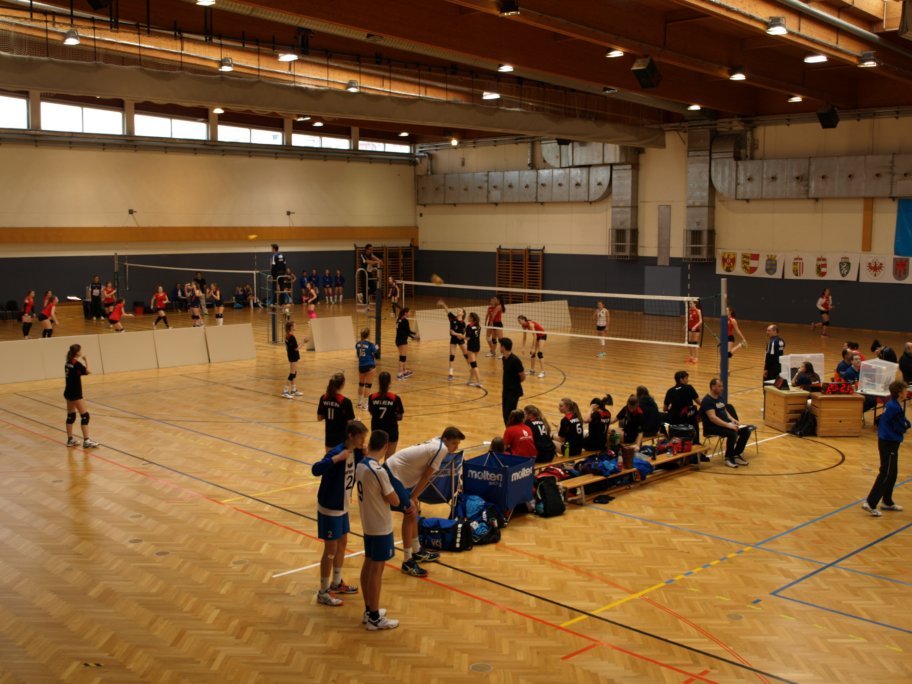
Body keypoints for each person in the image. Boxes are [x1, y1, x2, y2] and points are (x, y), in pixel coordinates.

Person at [385, 427, 465, 577]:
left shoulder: (438, 442)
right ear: (446, 440)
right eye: (454, 443)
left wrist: (413, 496)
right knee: (410, 512)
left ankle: (417, 551)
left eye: (458, 444)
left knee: (413, 511)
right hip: (393, 473)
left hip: (398, 473)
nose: (456, 447)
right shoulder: (441, 449)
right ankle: (407, 561)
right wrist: (413, 497)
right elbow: (426, 476)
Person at [311, 420, 367, 607]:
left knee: (342, 543)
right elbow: (315, 469)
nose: (363, 441)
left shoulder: (357, 453)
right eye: (361, 438)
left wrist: (365, 455)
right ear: (351, 436)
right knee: (330, 550)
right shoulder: (337, 452)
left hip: (343, 505)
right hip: (330, 507)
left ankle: (336, 582)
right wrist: (336, 459)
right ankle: (323, 592)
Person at [355, 430, 401, 630]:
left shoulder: (361, 465)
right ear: (385, 447)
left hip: (368, 523)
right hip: (380, 525)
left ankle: (369, 610)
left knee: (368, 564)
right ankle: (374, 617)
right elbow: (395, 500)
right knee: (377, 571)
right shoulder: (378, 470)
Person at [862, 380, 909, 517]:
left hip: (887, 440)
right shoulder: (895, 407)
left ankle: (887, 501)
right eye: (905, 390)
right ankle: (870, 503)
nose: (907, 392)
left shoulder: (892, 404)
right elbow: (901, 426)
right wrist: (906, 426)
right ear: (900, 393)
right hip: (889, 442)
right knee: (886, 472)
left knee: (892, 472)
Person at [701, 378, 752, 468]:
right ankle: (728, 457)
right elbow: (713, 418)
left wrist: (732, 419)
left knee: (746, 431)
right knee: (732, 433)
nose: (722, 388)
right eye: (719, 386)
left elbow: (724, 410)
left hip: (724, 424)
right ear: (712, 387)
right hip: (712, 427)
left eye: (722, 386)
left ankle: (736, 454)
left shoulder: (720, 397)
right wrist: (728, 425)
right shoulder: (707, 400)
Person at [64, 344, 100, 448]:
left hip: (68, 392)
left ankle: (70, 439)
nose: (81, 351)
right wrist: (86, 360)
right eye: (80, 350)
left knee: (71, 416)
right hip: (75, 393)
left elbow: (78, 373)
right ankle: (86, 441)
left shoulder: (68, 362)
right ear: (77, 353)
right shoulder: (76, 364)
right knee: (85, 416)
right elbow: (88, 371)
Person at [368, 372, 404, 457]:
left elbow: (371, 411)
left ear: (379, 382)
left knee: (373, 458)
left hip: (376, 430)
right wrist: (391, 416)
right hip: (391, 431)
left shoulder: (372, 397)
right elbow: (400, 416)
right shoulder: (395, 398)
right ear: (389, 382)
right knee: (389, 460)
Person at [317, 373, 356, 449]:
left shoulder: (324, 398)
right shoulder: (346, 401)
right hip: (342, 438)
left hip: (329, 437)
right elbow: (350, 423)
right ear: (343, 385)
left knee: (330, 456)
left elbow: (319, 417)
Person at [663, 370, 701, 444]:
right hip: (689, 419)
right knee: (695, 414)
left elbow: (665, 408)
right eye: (686, 378)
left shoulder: (670, 391)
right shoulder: (689, 387)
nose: (688, 380)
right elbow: (699, 402)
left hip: (675, 420)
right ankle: (696, 442)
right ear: (681, 379)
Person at [438, 299, 469, 382]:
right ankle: (451, 374)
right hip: (453, 340)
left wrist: (454, 333)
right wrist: (443, 304)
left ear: (462, 313)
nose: (458, 311)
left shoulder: (463, 323)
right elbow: (447, 310)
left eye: (460, 310)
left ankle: (471, 368)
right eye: (457, 310)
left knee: (466, 355)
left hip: (459, 340)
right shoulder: (453, 318)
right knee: (452, 356)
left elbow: (461, 337)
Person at [500, 337, 525, 426]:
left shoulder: (515, 360)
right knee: (505, 414)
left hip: (513, 391)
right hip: (506, 390)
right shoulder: (504, 358)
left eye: (500, 345)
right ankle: (509, 431)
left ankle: (512, 431)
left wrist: (514, 383)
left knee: (510, 414)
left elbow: (522, 376)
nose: (499, 347)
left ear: (503, 347)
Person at [356, 328, 379, 409]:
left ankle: (359, 403)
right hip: (370, 366)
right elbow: (376, 355)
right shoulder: (370, 344)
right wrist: (376, 348)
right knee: (368, 386)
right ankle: (365, 405)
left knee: (361, 384)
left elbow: (358, 355)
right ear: (368, 335)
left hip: (361, 366)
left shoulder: (357, 344)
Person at [395, 307, 419, 380]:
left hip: (398, 340)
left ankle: (404, 371)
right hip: (402, 341)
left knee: (403, 356)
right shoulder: (405, 321)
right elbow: (407, 332)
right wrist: (414, 336)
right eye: (409, 312)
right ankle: (400, 373)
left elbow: (405, 331)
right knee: (402, 357)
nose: (410, 313)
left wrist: (414, 334)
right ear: (405, 313)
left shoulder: (399, 319)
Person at [283, 321, 305, 398]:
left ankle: (293, 389)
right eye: (295, 325)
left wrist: (300, 343)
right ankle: (285, 391)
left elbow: (292, 346)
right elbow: (296, 348)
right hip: (293, 356)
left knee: (294, 373)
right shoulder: (291, 337)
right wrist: (303, 342)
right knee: (292, 373)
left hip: (291, 355)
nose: (296, 326)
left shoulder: (287, 336)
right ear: (291, 327)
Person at [464, 312, 483, 387]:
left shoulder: (469, 326)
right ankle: (470, 380)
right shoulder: (478, 326)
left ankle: (479, 382)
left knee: (473, 365)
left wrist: (460, 336)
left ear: (472, 318)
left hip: (471, 346)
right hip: (477, 346)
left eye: (469, 316)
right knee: (473, 364)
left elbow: (468, 338)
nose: (467, 317)